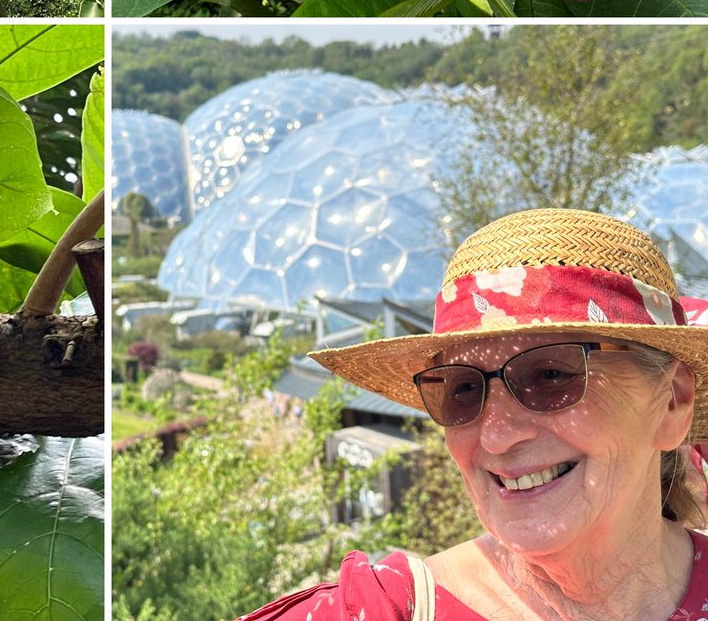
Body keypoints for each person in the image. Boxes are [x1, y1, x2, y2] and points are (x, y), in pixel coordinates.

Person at [239, 208, 708, 621]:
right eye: (463, 389)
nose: (497, 437)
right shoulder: (383, 610)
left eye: (550, 375)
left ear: (672, 401)